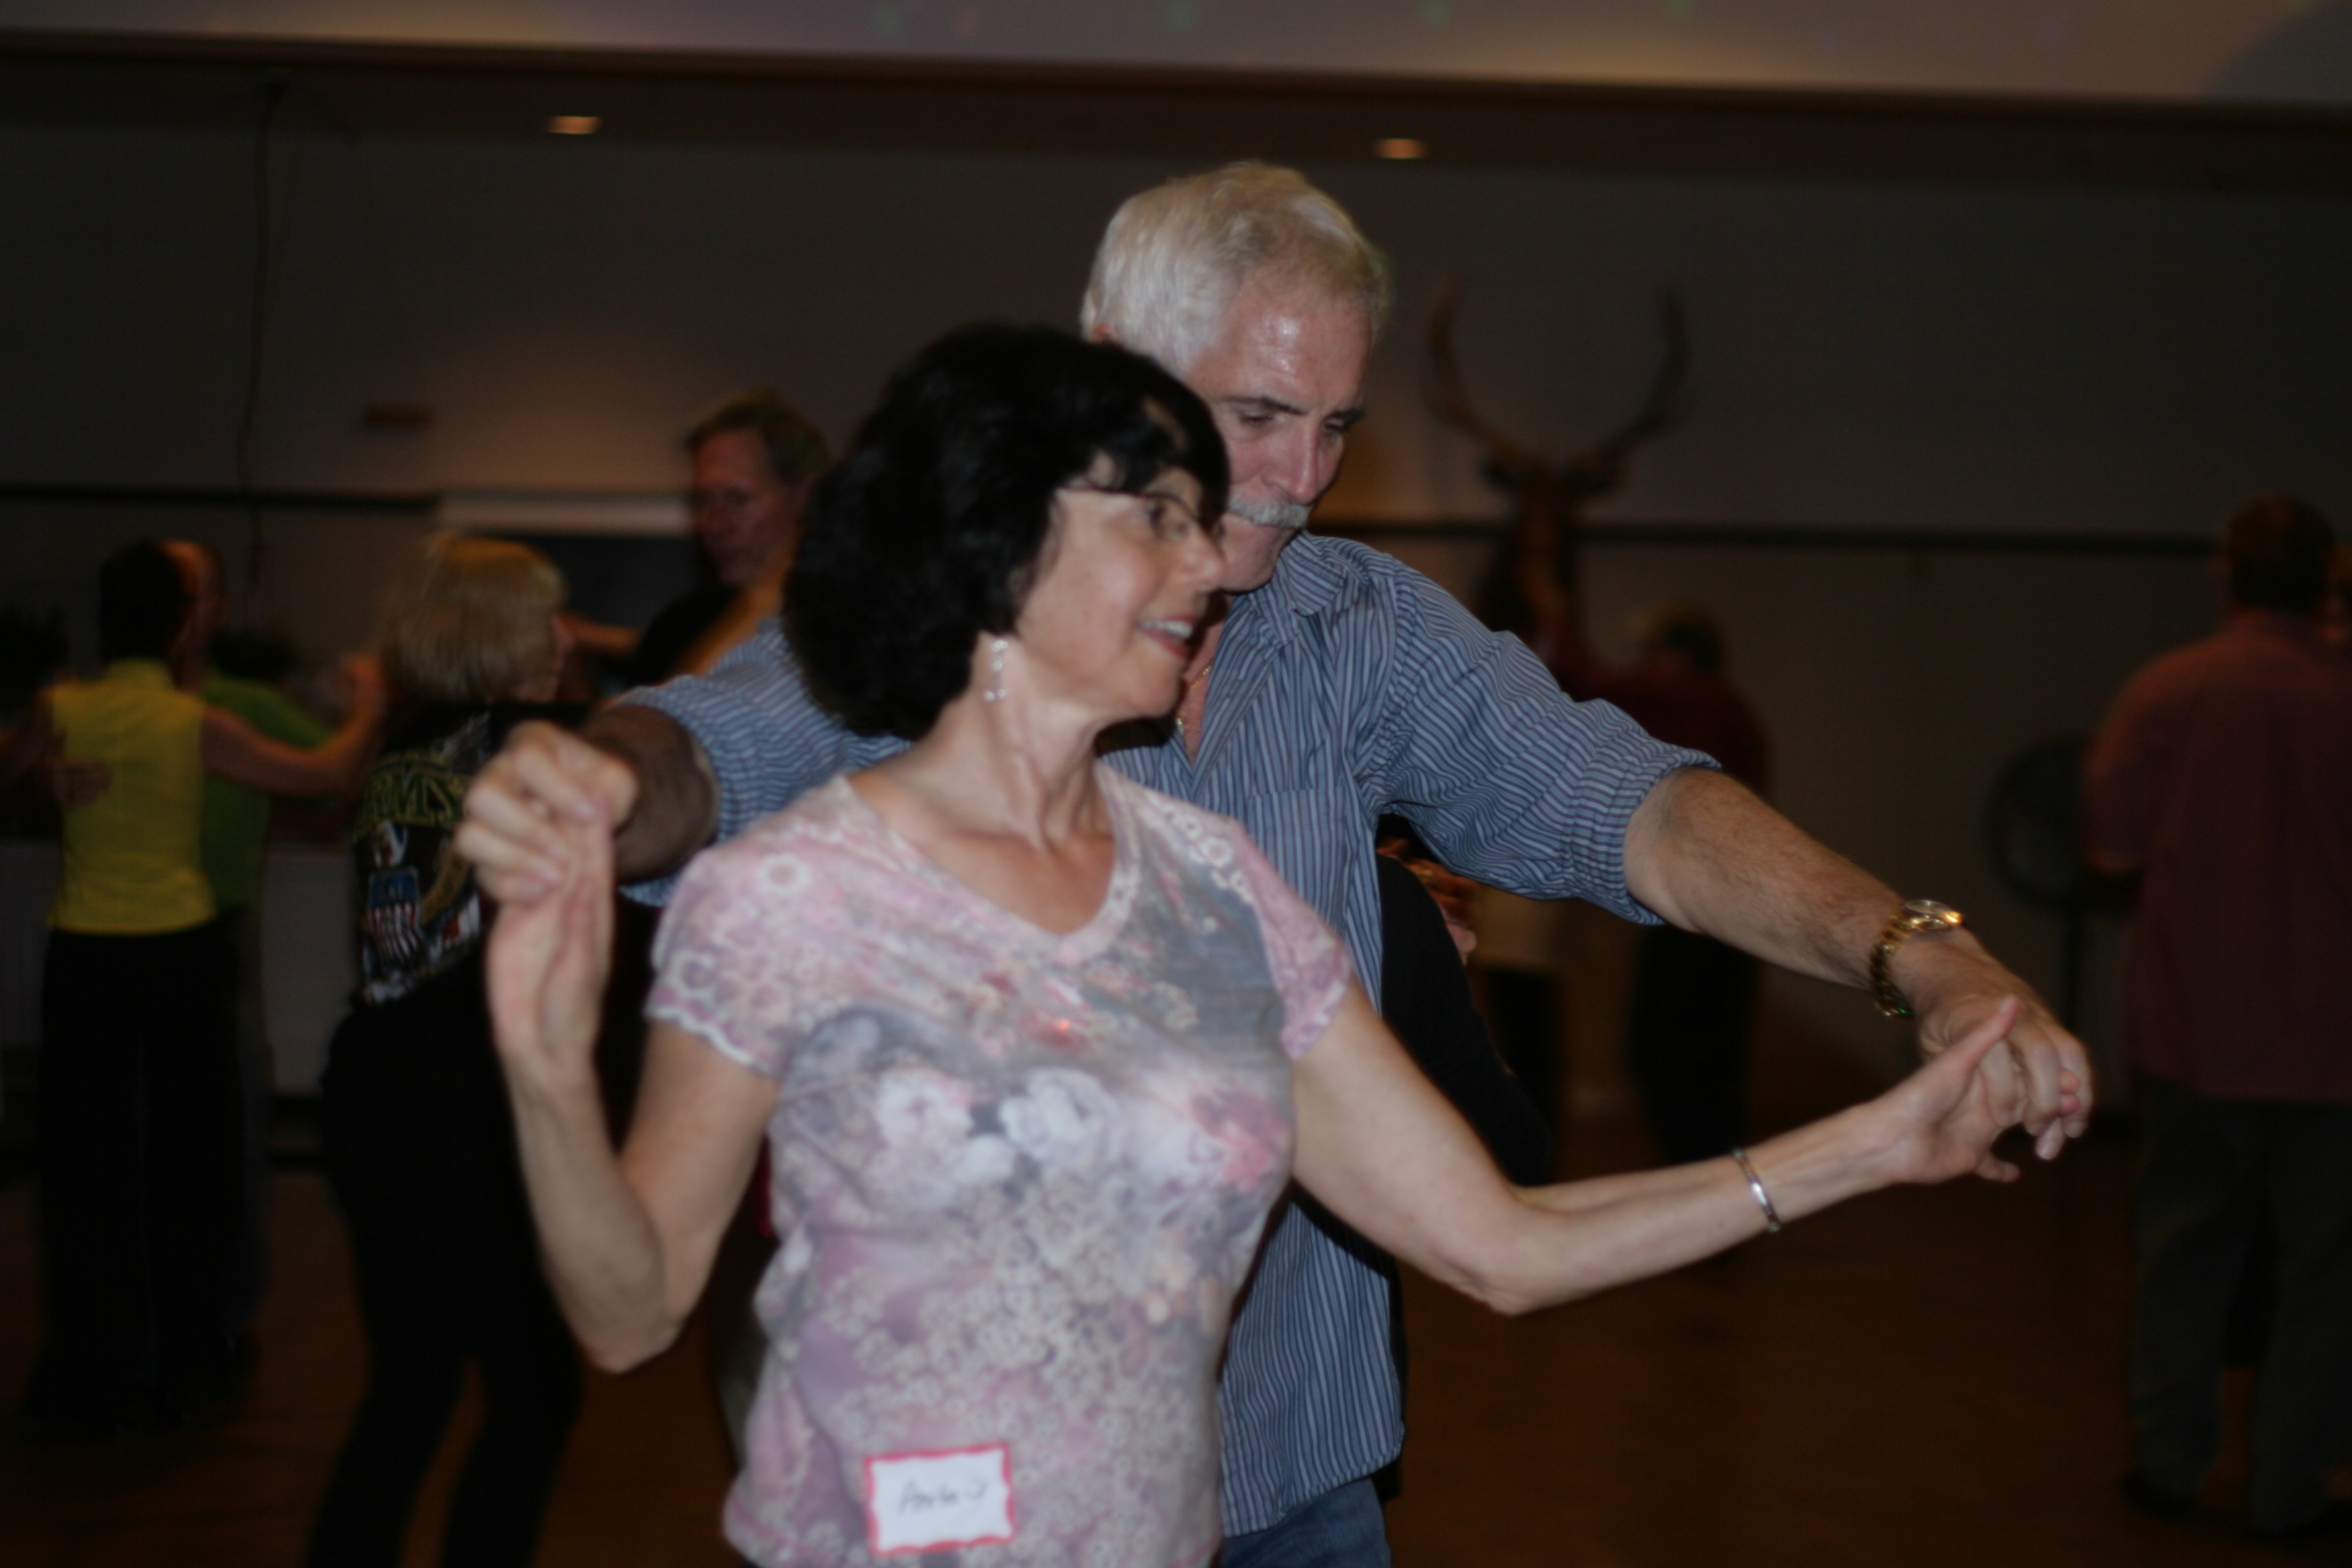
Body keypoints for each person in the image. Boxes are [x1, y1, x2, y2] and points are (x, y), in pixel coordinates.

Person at [458, 166, 2092, 1563]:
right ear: (1107, 391)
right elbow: (702, 754)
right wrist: (580, 805)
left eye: (1334, 428)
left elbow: (1515, 1197)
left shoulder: (1229, 857)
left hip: (1288, 1473)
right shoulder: (826, 839)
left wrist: (1898, 1046)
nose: (1298, 486)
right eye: (1250, 423)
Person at [21, 540, 383, 1436]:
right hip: (177, 957)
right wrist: (372, 704)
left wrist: (40, 769)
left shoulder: (60, 707)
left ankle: (94, 1360)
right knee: (193, 1165)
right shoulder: (195, 722)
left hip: (84, 959)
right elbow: (327, 776)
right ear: (183, 628)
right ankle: (185, 1356)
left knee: (86, 1168)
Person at [305, 535, 585, 1568]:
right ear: (498, 633)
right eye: (546, 619)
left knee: (414, 1381)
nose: (565, 640)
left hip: (371, 1087)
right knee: (535, 1387)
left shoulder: (404, 744)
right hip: (463, 1104)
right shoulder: (532, 742)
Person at [2086, 493, 2352, 1541]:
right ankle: (2293, 1490)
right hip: (2336, 1045)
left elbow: (2111, 845)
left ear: (2226, 575)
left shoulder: (2168, 691)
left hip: (2196, 1031)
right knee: (2328, 1275)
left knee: (2184, 1251)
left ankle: (2167, 1464)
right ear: (2328, 580)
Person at [160, 540, 336, 1358]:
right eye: (168, 593)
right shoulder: (107, 703)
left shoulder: (242, 705)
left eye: (195, 594)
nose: (181, 610)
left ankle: (225, 1320)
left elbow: (332, 780)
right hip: (118, 940)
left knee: (231, 1131)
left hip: (217, 933)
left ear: (219, 611)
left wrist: (368, 710)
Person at [1549, 602, 1771, 1164]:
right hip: (1730, 909)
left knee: (1666, 1055)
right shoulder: (1730, 708)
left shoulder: (1687, 698)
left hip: (1704, 911)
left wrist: (1551, 606)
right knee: (1702, 1059)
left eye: (1653, 655)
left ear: (1676, 657)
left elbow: (1584, 682)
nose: (1645, 666)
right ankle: (1717, 1178)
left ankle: (1706, 1180)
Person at [624, 389, 830, 685]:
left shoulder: (848, 628)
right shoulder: (679, 626)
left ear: (805, 496)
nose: (715, 525)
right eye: (704, 501)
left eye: (737, 499)